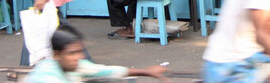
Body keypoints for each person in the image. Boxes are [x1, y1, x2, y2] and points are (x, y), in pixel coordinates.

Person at [25, 24, 170, 83]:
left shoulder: (71, 66)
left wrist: (147, 72)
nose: (79, 57)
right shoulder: (47, 76)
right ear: (57, 54)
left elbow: (104, 71)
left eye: (80, 51)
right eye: (72, 53)